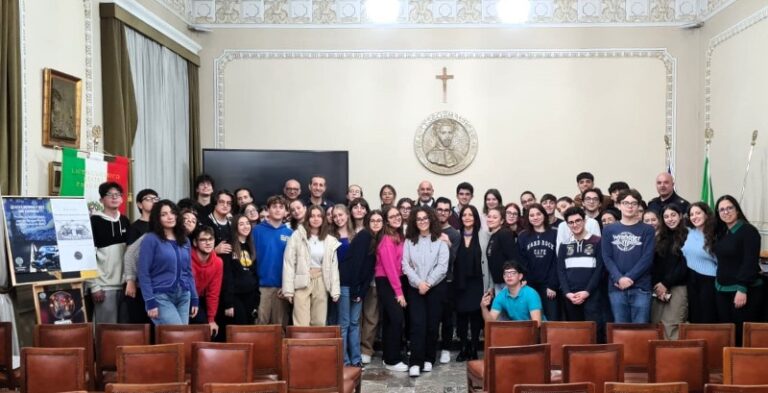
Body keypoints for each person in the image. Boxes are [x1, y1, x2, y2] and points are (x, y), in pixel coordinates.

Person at [401, 206, 449, 377]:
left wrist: (427, 283)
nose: (422, 221)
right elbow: (405, 264)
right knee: (417, 325)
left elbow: (442, 267)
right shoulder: (409, 241)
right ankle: (415, 361)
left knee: (432, 325)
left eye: (425, 218)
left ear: (431, 220)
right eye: (418, 219)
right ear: (415, 222)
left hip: (435, 288)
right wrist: (419, 283)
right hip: (415, 288)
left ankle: (429, 359)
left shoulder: (440, 240)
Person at [712, 195, 763, 345]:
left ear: (737, 210)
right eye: (721, 209)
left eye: (729, 208)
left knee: (742, 336)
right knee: (728, 335)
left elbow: (750, 261)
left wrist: (742, 289)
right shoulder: (722, 232)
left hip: (742, 292)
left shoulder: (748, 231)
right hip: (722, 291)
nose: (726, 212)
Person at [138, 200, 199, 325]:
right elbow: (143, 272)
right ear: (157, 218)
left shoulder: (185, 240)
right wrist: (149, 300)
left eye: (172, 213)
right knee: (176, 336)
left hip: (184, 295)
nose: (170, 217)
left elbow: (188, 271)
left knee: (182, 339)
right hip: (160, 296)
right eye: (164, 214)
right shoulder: (151, 239)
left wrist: (194, 296)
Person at [602, 189, 655, 323]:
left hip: (641, 287)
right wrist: (619, 278)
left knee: (640, 331)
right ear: (618, 205)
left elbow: (647, 257)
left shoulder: (647, 230)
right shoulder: (609, 230)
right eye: (626, 203)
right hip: (616, 287)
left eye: (634, 203)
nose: (630, 206)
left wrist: (629, 278)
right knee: (620, 330)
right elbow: (607, 257)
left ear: (638, 206)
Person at [283, 205, 341, 326]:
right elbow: (289, 263)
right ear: (307, 218)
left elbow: (333, 267)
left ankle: (316, 345)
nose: (316, 219)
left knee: (319, 321)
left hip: (321, 280)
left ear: (323, 219)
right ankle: (300, 345)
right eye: (312, 216)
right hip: (302, 280)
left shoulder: (330, 240)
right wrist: (288, 290)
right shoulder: (297, 236)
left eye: (319, 216)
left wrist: (335, 290)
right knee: (301, 322)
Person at [339, 210, 383, 367]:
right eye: (373, 220)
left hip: (358, 286)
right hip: (347, 284)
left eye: (379, 220)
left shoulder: (376, 239)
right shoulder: (364, 236)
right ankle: (343, 360)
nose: (376, 223)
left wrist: (361, 291)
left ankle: (356, 359)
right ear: (367, 222)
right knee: (345, 323)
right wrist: (355, 290)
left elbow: (368, 270)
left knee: (354, 323)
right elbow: (356, 265)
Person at [557, 207, 605, 341]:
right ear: (567, 225)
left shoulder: (597, 241)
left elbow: (599, 270)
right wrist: (567, 293)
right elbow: (560, 271)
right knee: (576, 332)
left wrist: (587, 292)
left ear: (584, 221)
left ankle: (596, 360)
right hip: (571, 296)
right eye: (571, 222)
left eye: (578, 220)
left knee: (595, 331)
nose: (575, 224)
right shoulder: (564, 245)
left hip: (592, 295)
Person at [88, 182, 130, 323]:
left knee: (124, 330)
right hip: (104, 287)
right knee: (106, 330)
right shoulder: (94, 222)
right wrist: (94, 286)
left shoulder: (125, 221)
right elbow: (88, 257)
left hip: (125, 286)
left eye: (117, 194)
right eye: (109, 195)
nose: (114, 197)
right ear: (101, 200)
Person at [375, 205, 408, 372]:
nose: (397, 217)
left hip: (394, 279)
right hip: (387, 281)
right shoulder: (387, 238)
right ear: (386, 220)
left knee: (389, 320)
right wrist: (399, 292)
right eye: (392, 216)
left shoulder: (398, 235)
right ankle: (392, 360)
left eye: (398, 215)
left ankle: (388, 356)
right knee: (396, 319)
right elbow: (390, 268)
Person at [253, 196, 293, 325]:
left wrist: (287, 286)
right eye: (274, 207)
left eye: (281, 207)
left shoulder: (290, 233)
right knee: (260, 325)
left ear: (286, 212)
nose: (277, 210)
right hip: (261, 287)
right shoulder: (256, 231)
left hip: (281, 288)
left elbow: (293, 262)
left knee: (280, 326)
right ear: (268, 210)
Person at [650, 204, 688, 339]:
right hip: (658, 289)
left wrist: (666, 283)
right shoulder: (659, 237)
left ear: (680, 216)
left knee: (672, 326)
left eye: (673, 215)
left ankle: (672, 359)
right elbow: (653, 264)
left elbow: (685, 266)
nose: (670, 219)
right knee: (655, 325)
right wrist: (658, 285)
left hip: (677, 287)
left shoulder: (688, 236)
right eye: (666, 216)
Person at [517, 203, 560, 321]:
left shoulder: (555, 234)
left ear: (544, 215)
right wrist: (524, 279)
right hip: (530, 284)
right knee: (532, 319)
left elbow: (557, 261)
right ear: (528, 218)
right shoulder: (523, 236)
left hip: (549, 285)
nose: (535, 217)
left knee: (551, 319)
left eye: (538, 214)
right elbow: (521, 261)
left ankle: (550, 341)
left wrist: (552, 284)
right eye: (531, 215)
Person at [453, 204, 485, 362]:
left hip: (477, 282)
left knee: (475, 316)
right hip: (459, 282)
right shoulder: (456, 235)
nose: (467, 217)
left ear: (475, 218)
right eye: (464, 215)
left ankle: (473, 347)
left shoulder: (483, 235)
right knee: (461, 317)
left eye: (470, 215)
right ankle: (463, 346)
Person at [122, 188, 156, 323]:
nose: (153, 202)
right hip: (139, 281)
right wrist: (130, 280)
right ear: (139, 205)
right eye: (148, 199)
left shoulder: (160, 226)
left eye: (155, 199)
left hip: (156, 280)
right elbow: (129, 254)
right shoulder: (135, 227)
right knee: (140, 320)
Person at [682, 202, 719, 323]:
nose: (694, 216)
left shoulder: (715, 234)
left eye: (698, 213)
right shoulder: (688, 231)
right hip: (690, 277)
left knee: (707, 316)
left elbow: (720, 260)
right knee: (694, 316)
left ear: (706, 214)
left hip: (709, 280)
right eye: (691, 214)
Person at [433, 197, 460, 364]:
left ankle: (446, 349)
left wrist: (449, 245)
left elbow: (455, 261)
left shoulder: (455, 234)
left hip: (448, 282)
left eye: (446, 210)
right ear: (435, 211)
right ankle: (431, 349)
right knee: (432, 318)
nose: (442, 212)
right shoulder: (428, 230)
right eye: (439, 209)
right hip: (431, 282)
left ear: (450, 213)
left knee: (448, 318)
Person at [222, 215, 260, 327]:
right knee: (240, 328)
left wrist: (256, 299)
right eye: (241, 224)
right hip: (235, 296)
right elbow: (226, 275)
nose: (245, 226)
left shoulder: (251, 246)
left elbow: (254, 273)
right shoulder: (228, 246)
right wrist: (228, 303)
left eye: (247, 223)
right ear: (235, 227)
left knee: (249, 328)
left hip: (250, 295)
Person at [190, 226, 223, 338]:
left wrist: (211, 319)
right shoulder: (187, 258)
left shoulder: (218, 262)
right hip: (183, 297)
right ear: (195, 242)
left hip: (199, 298)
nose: (208, 243)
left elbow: (213, 293)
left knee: (208, 329)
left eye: (211, 239)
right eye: (203, 240)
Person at [328, 204, 355, 325]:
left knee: (353, 320)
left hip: (353, 281)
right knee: (339, 319)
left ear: (348, 216)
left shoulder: (354, 235)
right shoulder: (330, 236)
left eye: (340, 215)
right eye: (335, 216)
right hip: (337, 281)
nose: (338, 218)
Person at [487, 206, 520, 293]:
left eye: (494, 217)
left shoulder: (504, 233)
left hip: (507, 282)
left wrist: (512, 279)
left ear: (501, 221)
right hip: (498, 282)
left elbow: (513, 258)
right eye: (489, 216)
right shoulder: (493, 235)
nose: (490, 219)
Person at [200, 190, 235, 259]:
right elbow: (198, 251)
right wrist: (215, 251)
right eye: (221, 202)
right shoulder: (205, 223)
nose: (225, 205)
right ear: (215, 203)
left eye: (229, 203)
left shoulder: (233, 223)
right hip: (213, 266)